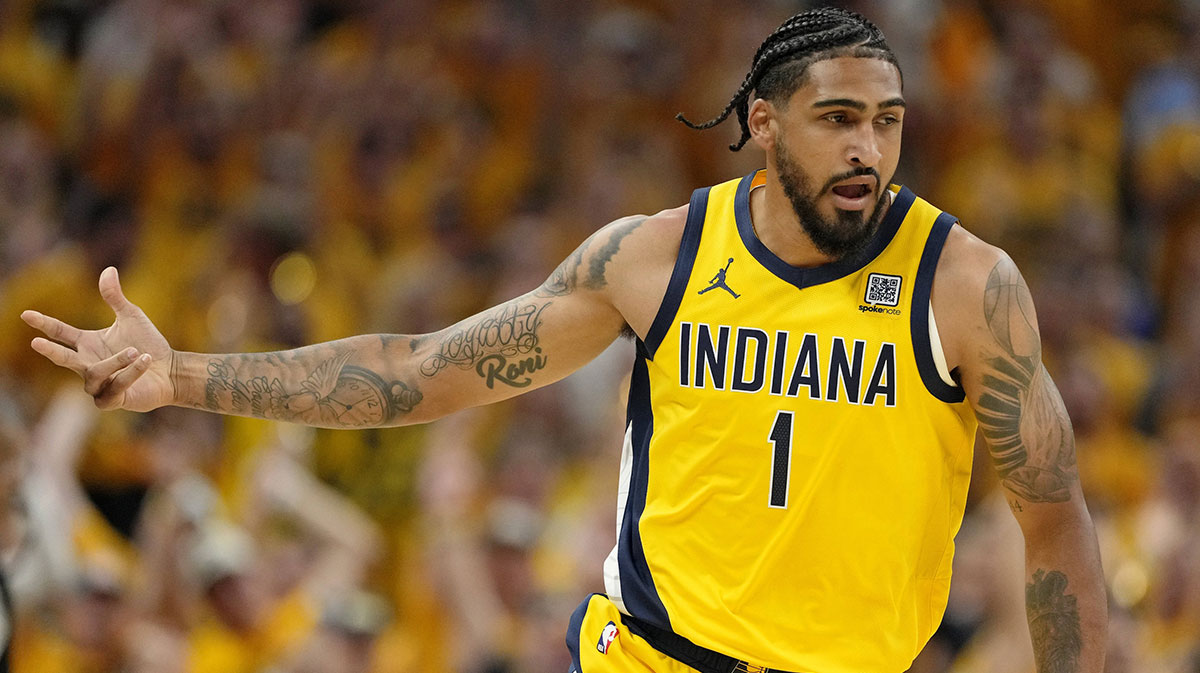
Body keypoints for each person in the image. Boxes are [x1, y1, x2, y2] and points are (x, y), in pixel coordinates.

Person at [21, 7, 1106, 673]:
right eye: (838, 119)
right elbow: (423, 373)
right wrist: (182, 376)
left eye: (889, 119)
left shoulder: (965, 286)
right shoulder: (656, 257)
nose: (870, 148)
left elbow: (1054, 525)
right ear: (764, 125)